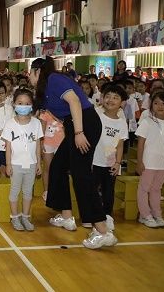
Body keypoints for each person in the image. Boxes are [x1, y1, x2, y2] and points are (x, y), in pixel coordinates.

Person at [29, 56, 117, 249]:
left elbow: (75, 102)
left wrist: (78, 132)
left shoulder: (54, 79)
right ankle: (66, 216)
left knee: (81, 176)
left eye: (30, 72)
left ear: (37, 71)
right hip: (73, 126)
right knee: (58, 167)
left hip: (84, 124)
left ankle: (102, 230)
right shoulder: (44, 91)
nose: (29, 77)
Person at [2, 88, 43, 231]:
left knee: (27, 192)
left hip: (31, 164)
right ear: (14, 104)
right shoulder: (9, 124)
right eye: (20, 103)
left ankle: (25, 217)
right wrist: (8, 164)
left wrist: (38, 162)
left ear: (32, 105)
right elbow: (8, 147)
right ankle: (15, 217)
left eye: (27, 103)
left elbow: (38, 144)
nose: (23, 106)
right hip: (15, 164)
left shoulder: (36, 123)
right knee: (14, 191)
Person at [91, 84, 128, 231]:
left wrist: (118, 162)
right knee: (92, 190)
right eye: (107, 96)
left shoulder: (121, 122)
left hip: (110, 163)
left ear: (122, 102)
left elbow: (120, 145)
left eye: (115, 97)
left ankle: (107, 216)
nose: (110, 100)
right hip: (94, 161)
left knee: (108, 192)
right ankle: (92, 216)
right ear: (102, 98)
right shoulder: (96, 115)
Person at [135, 91, 164, 228]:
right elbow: (140, 143)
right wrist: (140, 162)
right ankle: (145, 215)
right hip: (149, 162)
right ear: (151, 105)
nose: (160, 106)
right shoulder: (147, 121)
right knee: (144, 188)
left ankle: (157, 214)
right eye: (156, 103)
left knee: (157, 188)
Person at [38, 109, 64, 202]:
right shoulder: (45, 111)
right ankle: (46, 191)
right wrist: (41, 144)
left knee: (60, 169)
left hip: (62, 143)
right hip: (48, 143)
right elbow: (42, 128)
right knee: (47, 168)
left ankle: (58, 191)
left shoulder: (65, 109)